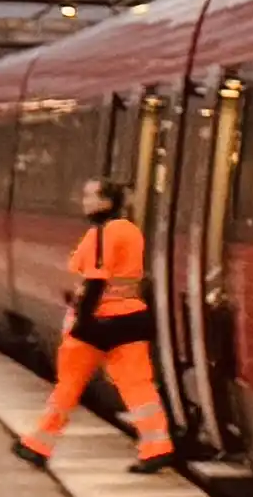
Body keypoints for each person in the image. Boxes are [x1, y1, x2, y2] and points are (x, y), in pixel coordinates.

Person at [25, 178, 179, 469]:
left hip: (97, 322)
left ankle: (38, 445)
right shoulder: (131, 232)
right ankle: (157, 446)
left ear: (107, 202)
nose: (85, 202)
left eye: (90, 196)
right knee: (138, 386)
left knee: (68, 385)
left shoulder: (102, 234)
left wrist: (82, 320)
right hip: (132, 319)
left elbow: (96, 279)